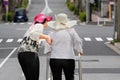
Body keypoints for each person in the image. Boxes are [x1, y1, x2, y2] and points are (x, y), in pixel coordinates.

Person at [47, 13, 83, 80]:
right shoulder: (71, 31)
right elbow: (78, 41)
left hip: (55, 58)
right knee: (69, 77)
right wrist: (79, 50)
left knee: (56, 78)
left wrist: (48, 50)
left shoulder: (52, 32)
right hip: (68, 58)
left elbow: (47, 43)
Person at [17, 13, 52, 80]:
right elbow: (34, 34)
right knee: (34, 77)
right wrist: (46, 37)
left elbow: (36, 38)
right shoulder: (39, 25)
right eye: (46, 21)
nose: (47, 24)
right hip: (29, 54)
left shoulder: (32, 27)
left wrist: (46, 40)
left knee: (29, 77)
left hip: (21, 54)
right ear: (43, 21)